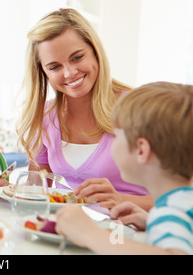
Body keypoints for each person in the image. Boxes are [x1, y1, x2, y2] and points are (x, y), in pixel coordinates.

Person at [17, 8, 152, 210]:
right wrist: (3, 190)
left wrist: (121, 199)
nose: (70, 73)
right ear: (43, 72)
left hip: (132, 234)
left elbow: (183, 199)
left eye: (77, 57)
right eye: (54, 67)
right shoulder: (45, 117)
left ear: (95, 51)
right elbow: (36, 195)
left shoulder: (141, 108)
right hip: (72, 233)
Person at [56, 81, 193, 255]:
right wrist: (150, 222)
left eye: (116, 134)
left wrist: (89, 234)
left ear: (142, 150)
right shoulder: (181, 205)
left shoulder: (171, 213)